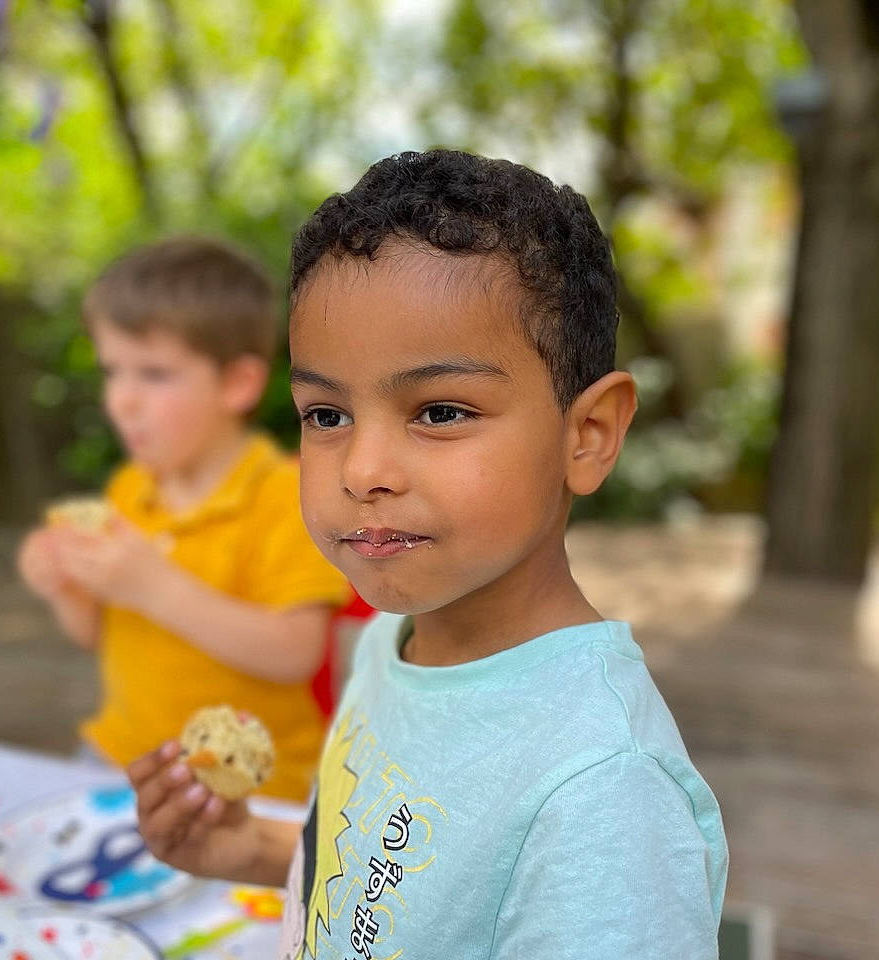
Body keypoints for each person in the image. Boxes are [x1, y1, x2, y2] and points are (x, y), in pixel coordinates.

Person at [127, 152, 728, 957]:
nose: (363, 471)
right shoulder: (395, 640)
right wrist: (255, 853)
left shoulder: (601, 792)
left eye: (440, 412)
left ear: (587, 435)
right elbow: (410, 887)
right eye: (326, 415)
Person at [17, 237, 350, 803]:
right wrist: (64, 587)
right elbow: (96, 634)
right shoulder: (131, 491)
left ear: (236, 384)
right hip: (124, 759)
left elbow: (296, 653)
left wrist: (153, 586)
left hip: (247, 788)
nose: (121, 400)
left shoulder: (283, 496)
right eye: (113, 371)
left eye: (152, 374)